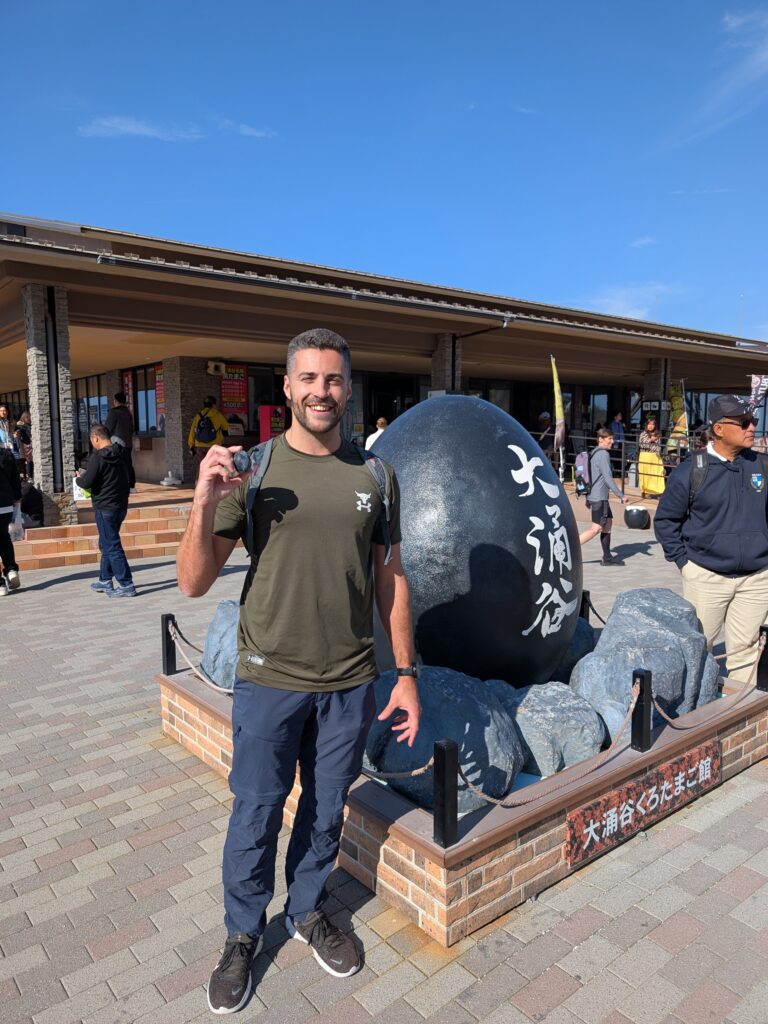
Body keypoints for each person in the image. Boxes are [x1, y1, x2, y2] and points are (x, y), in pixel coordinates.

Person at [177, 327, 420, 1015]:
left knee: (323, 811)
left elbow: (391, 577)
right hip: (269, 678)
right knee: (255, 811)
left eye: (334, 379)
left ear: (349, 386)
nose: (321, 391)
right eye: (308, 379)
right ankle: (242, 933)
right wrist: (201, 501)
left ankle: (309, 908)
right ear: (287, 387)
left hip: (349, 680)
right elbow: (194, 582)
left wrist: (404, 673)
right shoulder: (251, 469)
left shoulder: (376, 475)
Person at [654, 395, 768, 682]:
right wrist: (685, 564)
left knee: (746, 653)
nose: (752, 427)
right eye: (744, 422)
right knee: (697, 650)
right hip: (706, 577)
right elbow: (666, 521)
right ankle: (690, 715)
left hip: (756, 579)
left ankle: (738, 717)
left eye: (753, 421)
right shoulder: (692, 470)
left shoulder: (762, 466)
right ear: (719, 429)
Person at [76, 424, 135, 597]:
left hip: (104, 507)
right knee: (106, 543)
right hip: (121, 505)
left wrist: (79, 479)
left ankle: (126, 584)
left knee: (112, 545)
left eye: (92, 440)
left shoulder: (98, 458)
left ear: (96, 438)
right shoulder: (123, 454)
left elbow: (87, 482)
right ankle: (105, 579)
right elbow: (131, 479)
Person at [578, 427, 629, 565]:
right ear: (600, 439)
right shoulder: (603, 454)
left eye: (613, 438)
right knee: (596, 528)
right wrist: (620, 495)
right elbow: (608, 477)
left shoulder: (594, 453)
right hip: (599, 498)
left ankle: (607, 558)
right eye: (609, 439)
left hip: (596, 496)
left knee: (608, 523)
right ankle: (569, 548)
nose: (612, 441)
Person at [0, 443, 22, 595]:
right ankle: (11, 569)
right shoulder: (7, 455)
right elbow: (16, 481)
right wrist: (17, 502)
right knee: (3, 537)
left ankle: (0, 585)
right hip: (5, 504)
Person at [187, 395, 229, 472]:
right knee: (214, 467)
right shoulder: (218, 415)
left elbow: (193, 431)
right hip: (214, 446)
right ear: (214, 405)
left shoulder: (198, 416)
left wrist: (191, 445)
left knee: (200, 468)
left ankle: (199, 483)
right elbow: (226, 427)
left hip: (199, 446)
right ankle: (213, 484)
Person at [104, 393, 136, 488]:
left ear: (115, 401)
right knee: (128, 464)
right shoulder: (128, 413)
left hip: (116, 444)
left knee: (117, 465)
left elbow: (107, 429)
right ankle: (131, 485)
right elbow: (132, 429)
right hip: (128, 443)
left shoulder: (114, 412)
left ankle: (120, 484)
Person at [638, 416, 665, 498]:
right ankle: (645, 492)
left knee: (657, 473)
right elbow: (641, 445)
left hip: (655, 456)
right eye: (649, 424)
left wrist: (653, 443)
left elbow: (658, 446)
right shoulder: (643, 434)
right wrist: (650, 440)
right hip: (645, 456)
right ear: (646, 425)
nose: (651, 426)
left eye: (652, 424)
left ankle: (658, 491)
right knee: (646, 474)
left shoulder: (657, 434)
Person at [14, 410, 33, 481]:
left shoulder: (30, 425)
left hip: (29, 445)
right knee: (28, 461)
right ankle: (29, 476)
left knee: (29, 461)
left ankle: (30, 476)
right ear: (25, 417)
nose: (30, 418)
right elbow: (17, 434)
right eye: (28, 417)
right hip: (26, 445)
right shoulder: (20, 425)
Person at [610, 411, 625, 476]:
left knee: (620, 459)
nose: (620, 416)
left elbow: (621, 434)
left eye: (621, 415)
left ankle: (619, 473)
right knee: (614, 458)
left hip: (621, 443)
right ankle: (614, 473)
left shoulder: (620, 424)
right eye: (619, 415)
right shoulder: (613, 424)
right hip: (615, 443)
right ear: (615, 417)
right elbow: (614, 433)